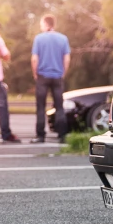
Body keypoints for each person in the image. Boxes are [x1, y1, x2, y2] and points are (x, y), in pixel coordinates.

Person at [30, 14, 71, 144]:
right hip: (57, 76)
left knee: (41, 107)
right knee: (59, 106)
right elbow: (67, 58)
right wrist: (63, 72)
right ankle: (62, 135)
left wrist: (35, 73)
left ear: (46, 24)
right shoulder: (63, 38)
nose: (41, 27)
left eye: (41, 24)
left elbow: (34, 58)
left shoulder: (39, 39)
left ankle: (40, 136)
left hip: (43, 76)